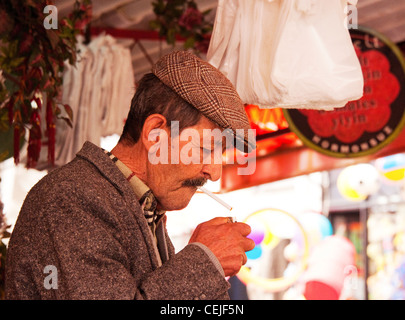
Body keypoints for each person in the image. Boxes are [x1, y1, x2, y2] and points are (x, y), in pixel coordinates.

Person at [5, 51, 256, 300]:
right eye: (205, 149)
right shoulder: (71, 198)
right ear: (155, 133)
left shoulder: (139, 207)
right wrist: (204, 260)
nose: (214, 172)